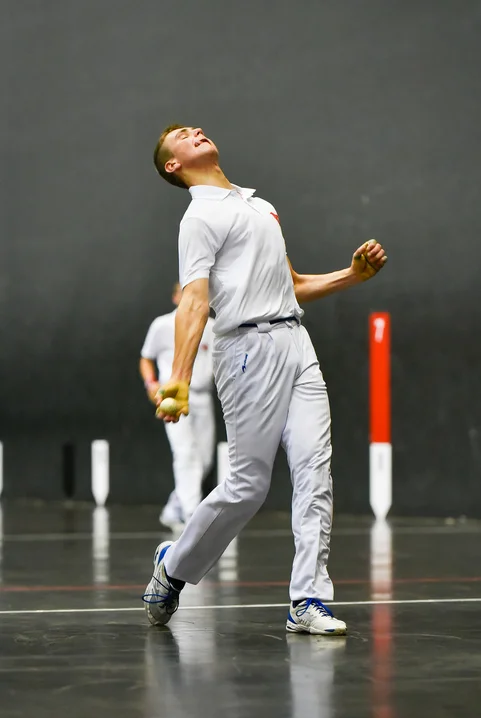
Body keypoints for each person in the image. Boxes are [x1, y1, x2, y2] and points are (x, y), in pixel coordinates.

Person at [142, 125, 387, 635]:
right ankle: (174, 566)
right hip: (246, 350)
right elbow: (194, 300)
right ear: (173, 165)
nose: (195, 131)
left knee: (315, 471)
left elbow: (293, 285)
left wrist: (352, 275)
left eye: (195, 127)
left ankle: (308, 599)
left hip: (297, 343)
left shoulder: (260, 206)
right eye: (182, 136)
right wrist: (178, 380)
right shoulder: (199, 217)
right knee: (248, 486)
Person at [139, 281, 215, 529]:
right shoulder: (162, 325)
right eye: (185, 294)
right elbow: (146, 359)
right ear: (175, 298)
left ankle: (174, 508)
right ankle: (192, 517)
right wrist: (151, 384)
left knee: (204, 460)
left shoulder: (212, 327)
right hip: (172, 397)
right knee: (185, 454)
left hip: (203, 398)